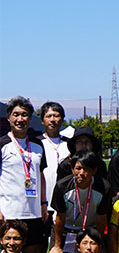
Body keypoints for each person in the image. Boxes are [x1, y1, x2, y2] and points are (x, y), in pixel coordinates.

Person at [49, 150, 110, 253]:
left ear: (94, 170)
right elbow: (60, 217)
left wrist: (99, 243)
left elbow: (101, 218)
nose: (82, 173)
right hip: (65, 230)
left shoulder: (104, 187)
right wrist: (57, 245)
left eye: (86, 169)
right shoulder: (62, 186)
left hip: (89, 231)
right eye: (78, 168)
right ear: (72, 169)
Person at [1, 97, 48, 253]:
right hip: (9, 212)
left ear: (30, 118)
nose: (20, 119)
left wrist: (43, 203)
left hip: (33, 212)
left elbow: (40, 175)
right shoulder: (2, 144)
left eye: (24, 115)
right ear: (9, 118)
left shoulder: (37, 145)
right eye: (16, 115)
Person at [38, 102, 69, 243]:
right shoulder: (36, 144)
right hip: (43, 203)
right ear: (42, 120)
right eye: (48, 116)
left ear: (62, 119)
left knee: (62, 245)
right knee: (40, 246)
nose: (52, 120)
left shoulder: (69, 144)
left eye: (56, 116)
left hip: (65, 204)